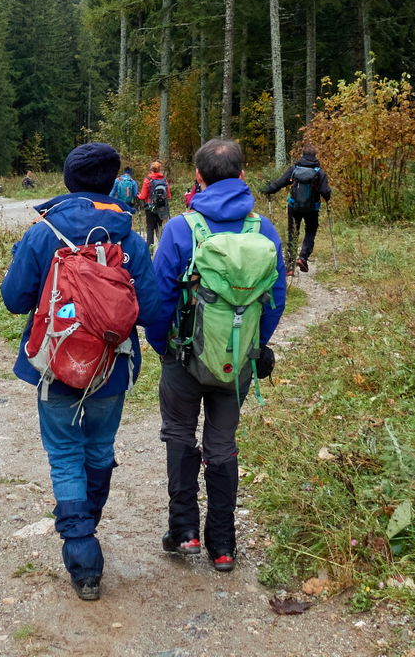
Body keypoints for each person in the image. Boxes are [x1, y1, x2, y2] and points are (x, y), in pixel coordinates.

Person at [0, 142, 160, 602]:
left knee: (65, 453)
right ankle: (87, 519)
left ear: (69, 182)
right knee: (99, 447)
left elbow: (14, 300)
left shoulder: (43, 233)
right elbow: (151, 310)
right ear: (113, 183)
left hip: (55, 363)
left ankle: (81, 547)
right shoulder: (128, 238)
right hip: (112, 365)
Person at [146, 137, 288, 573]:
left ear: (198, 178)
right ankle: (223, 546)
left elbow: (158, 299)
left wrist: (165, 347)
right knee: (222, 444)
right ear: (243, 175)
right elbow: (276, 298)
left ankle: (185, 532)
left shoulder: (181, 229)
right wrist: (250, 347)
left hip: (183, 358)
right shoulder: (263, 230)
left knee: (178, 434)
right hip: (237, 361)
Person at [262, 144, 332, 273]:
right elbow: (325, 192)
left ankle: (290, 267)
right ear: (315, 155)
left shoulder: (294, 169)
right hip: (312, 209)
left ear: (302, 154)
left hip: (294, 206)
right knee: (310, 232)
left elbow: (280, 182)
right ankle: (303, 257)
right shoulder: (319, 172)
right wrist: (327, 197)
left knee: (293, 233)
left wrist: (268, 189)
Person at [141, 161, 172, 249]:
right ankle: (162, 247)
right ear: (159, 169)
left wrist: (139, 196)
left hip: (150, 207)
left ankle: (150, 249)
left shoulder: (148, 180)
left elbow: (143, 196)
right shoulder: (164, 180)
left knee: (150, 228)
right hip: (161, 207)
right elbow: (168, 195)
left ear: (151, 169)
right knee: (159, 226)